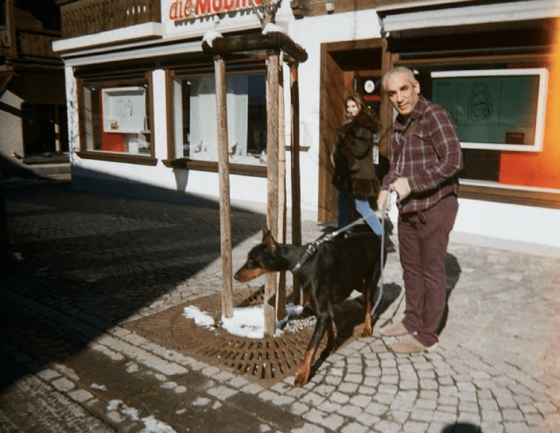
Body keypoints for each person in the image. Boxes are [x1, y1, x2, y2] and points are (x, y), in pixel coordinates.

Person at [377, 66, 463, 354]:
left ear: (416, 88)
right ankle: (410, 319)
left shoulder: (434, 116)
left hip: (436, 206)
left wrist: (411, 183)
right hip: (409, 210)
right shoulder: (399, 125)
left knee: (431, 271)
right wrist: (384, 187)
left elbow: (453, 160)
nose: (399, 98)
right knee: (410, 269)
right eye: (392, 93)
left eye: (404, 89)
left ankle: (426, 334)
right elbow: (396, 168)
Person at [330, 93, 383, 236]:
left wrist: (342, 149)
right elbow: (339, 145)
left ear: (360, 106)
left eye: (353, 106)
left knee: (362, 206)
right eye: (348, 106)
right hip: (347, 173)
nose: (350, 109)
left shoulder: (364, 125)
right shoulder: (349, 124)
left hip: (359, 173)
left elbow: (359, 150)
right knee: (343, 201)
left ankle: (380, 234)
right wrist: (335, 154)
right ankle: (341, 233)